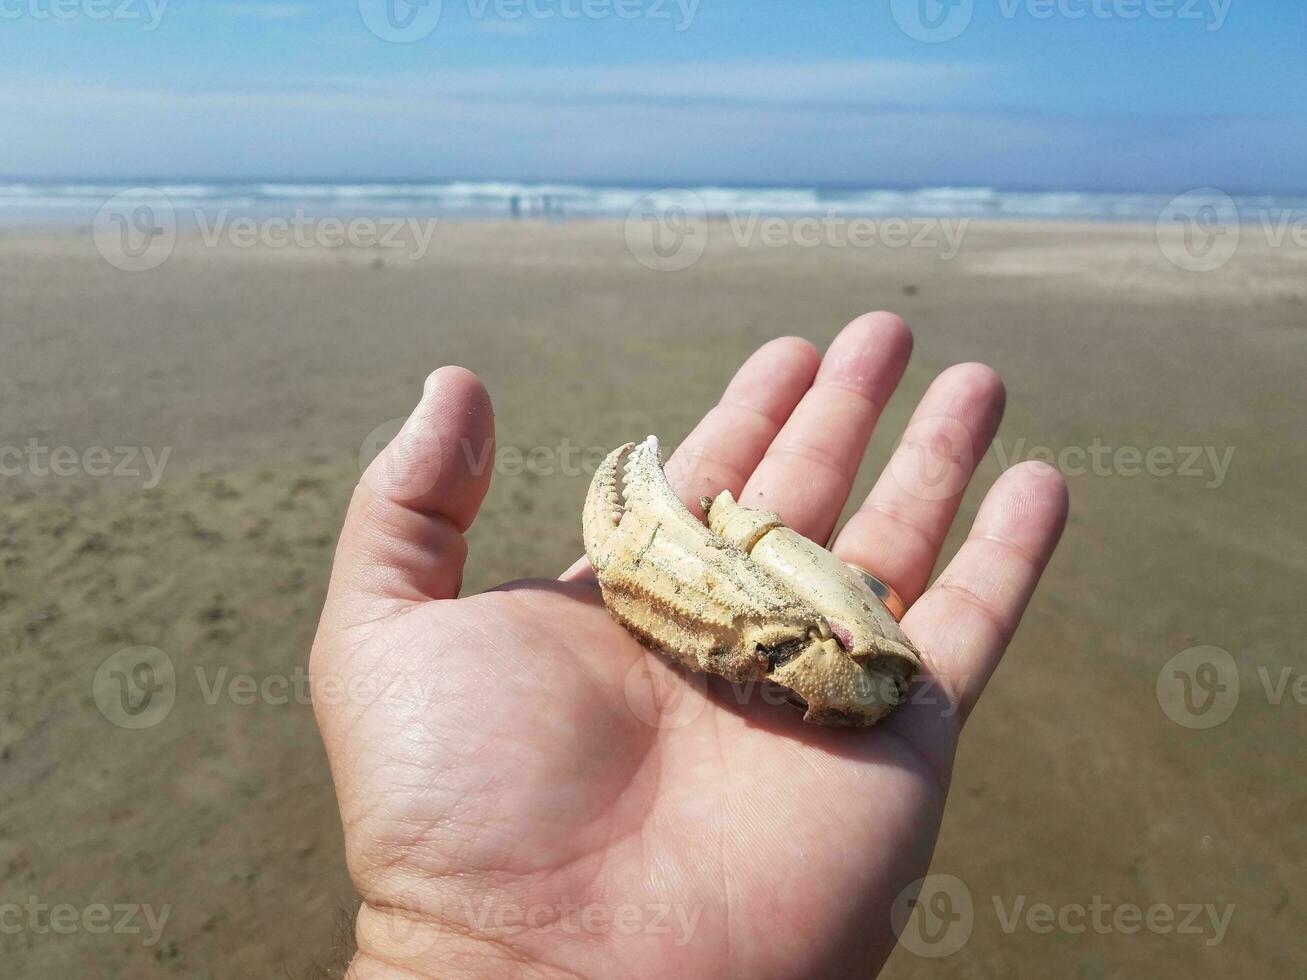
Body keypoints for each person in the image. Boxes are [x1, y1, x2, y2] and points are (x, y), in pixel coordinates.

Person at [310, 312, 1068, 979]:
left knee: (863, 678)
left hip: (837, 670)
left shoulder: (853, 672)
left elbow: (863, 682)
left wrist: (454, 949)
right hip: (818, 671)